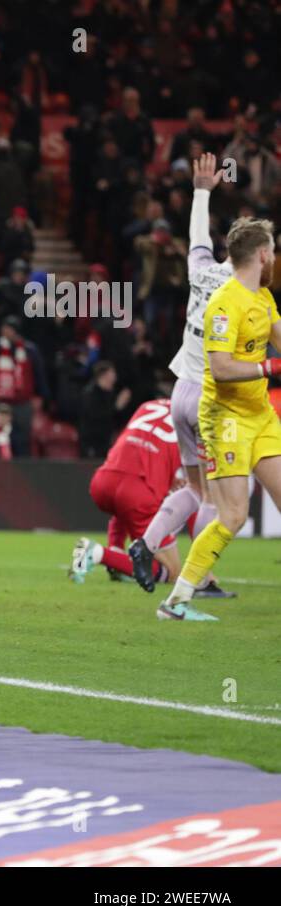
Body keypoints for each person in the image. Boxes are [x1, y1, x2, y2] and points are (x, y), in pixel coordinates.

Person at [157, 217, 281, 621]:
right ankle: (176, 599)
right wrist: (269, 369)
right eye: (274, 251)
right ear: (262, 255)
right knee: (232, 515)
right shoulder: (224, 304)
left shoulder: (262, 296)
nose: (275, 258)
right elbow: (223, 368)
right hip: (224, 418)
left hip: (260, 415)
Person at [128, 153, 234, 598]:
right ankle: (200, 578)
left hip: (179, 392)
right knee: (213, 496)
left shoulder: (202, 270)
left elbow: (196, 235)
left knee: (192, 487)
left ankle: (146, 543)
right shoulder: (241, 293)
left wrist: (201, 192)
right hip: (209, 397)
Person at [70, 399, 185, 586]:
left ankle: (115, 553)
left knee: (123, 507)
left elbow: (144, 444)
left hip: (104, 480)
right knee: (171, 572)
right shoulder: (196, 414)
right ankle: (97, 553)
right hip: (137, 492)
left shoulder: (149, 404)